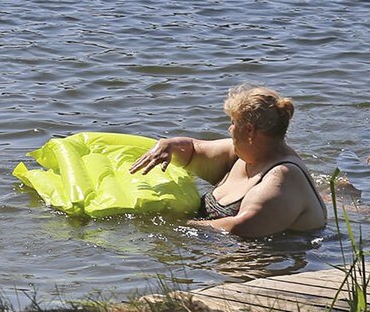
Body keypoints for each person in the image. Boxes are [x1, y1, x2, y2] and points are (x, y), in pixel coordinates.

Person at [129, 85, 327, 236]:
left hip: (270, 267)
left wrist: (171, 225)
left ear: (249, 130)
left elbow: (239, 227)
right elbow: (193, 150)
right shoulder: (241, 154)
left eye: (233, 123)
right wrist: (168, 145)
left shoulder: (282, 177)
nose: (230, 129)